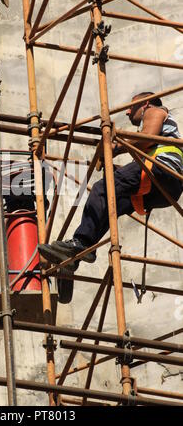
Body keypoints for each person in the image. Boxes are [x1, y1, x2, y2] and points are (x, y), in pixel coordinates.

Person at [38, 92, 183, 303]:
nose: (127, 110)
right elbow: (142, 154)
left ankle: (80, 244)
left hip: (161, 170)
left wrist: (114, 147)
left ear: (145, 104)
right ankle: (75, 255)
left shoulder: (154, 111)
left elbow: (145, 139)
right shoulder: (165, 127)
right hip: (167, 186)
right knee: (113, 203)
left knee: (101, 188)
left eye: (131, 106)